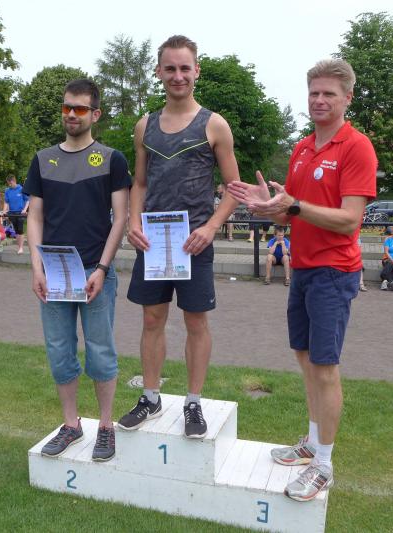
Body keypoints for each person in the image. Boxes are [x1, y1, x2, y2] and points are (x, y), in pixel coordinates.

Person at [228, 58, 377, 501]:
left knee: (325, 368)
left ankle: (324, 465)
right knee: (306, 358)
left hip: (334, 271)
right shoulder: (302, 148)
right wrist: (267, 204)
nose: (319, 100)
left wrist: (292, 207)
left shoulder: (357, 147)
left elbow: (349, 220)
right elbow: (289, 212)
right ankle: (312, 444)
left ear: (347, 98)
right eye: (314, 92)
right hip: (304, 268)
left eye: (329, 93)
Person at [121, 35, 241, 439]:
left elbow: (234, 189)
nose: (178, 76)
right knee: (152, 318)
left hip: (194, 242)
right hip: (154, 241)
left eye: (184, 68)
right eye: (170, 68)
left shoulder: (213, 124)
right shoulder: (145, 126)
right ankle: (150, 397)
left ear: (196, 71)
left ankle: (193, 402)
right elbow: (139, 183)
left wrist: (210, 227)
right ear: (159, 72)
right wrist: (133, 222)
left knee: (195, 321)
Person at [25, 78, 131, 461]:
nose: (71, 114)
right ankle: (71, 424)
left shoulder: (112, 159)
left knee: (100, 350)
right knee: (59, 350)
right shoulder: (42, 159)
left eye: (80, 108)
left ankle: (105, 426)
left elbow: (121, 218)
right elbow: (35, 216)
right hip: (53, 271)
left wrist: (102, 268)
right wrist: (36, 266)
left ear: (95, 114)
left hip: (93, 271)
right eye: (67, 107)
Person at [4, 175, 30, 254]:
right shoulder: (7, 191)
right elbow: (6, 202)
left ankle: (21, 248)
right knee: (16, 231)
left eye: (10, 183)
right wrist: (4, 211)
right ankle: (19, 247)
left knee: (20, 230)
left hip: (20, 213)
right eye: (8, 183)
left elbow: (27, 200)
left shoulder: (21, 189)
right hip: (12, 213)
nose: (9, 185)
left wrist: (25, 210)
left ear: (13, 181)